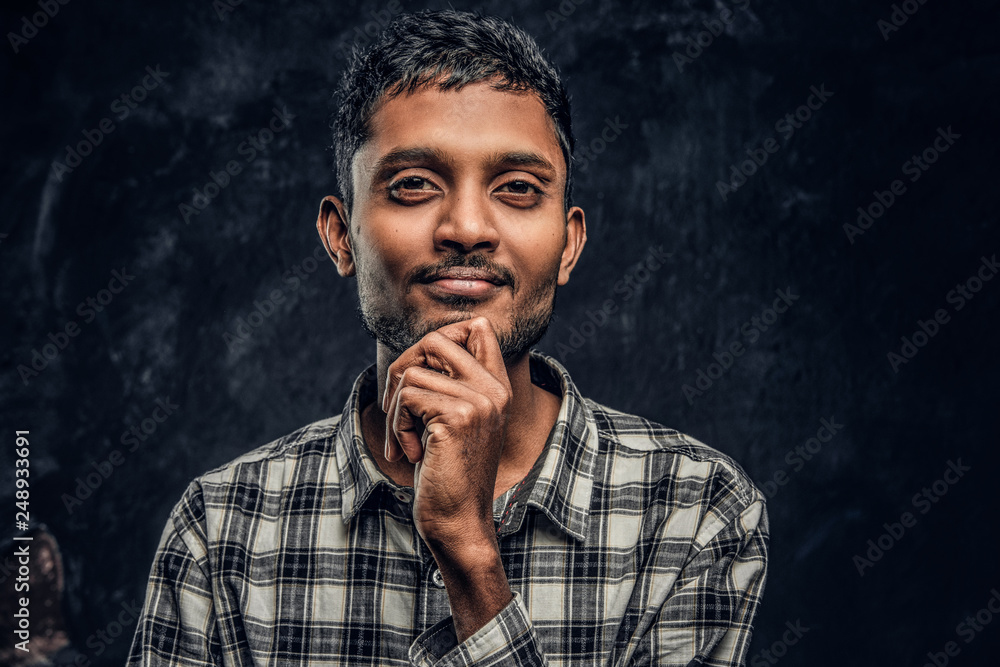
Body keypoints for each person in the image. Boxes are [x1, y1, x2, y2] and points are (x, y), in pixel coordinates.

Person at [128, 9, 768, 666]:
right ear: (341, 235)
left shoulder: (694, 510)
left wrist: (468, 552)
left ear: (569, 245)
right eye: (414, 185)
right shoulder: (222, 526)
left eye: (517, 188)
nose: (465, 227)